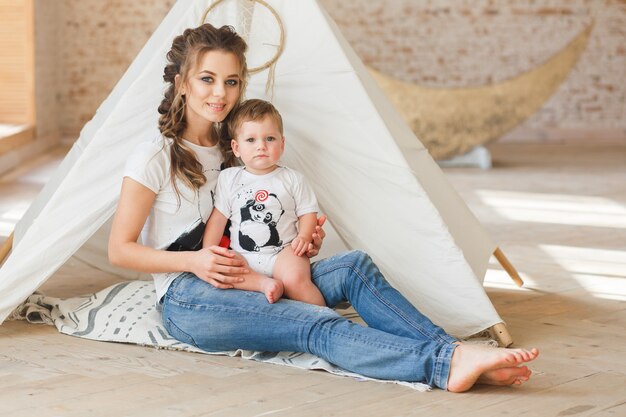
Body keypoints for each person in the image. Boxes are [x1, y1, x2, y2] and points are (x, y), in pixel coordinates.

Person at [108, 23, 539, 392]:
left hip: (251, 269)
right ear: (182, 82)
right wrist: (196, 261)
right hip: (190, 297)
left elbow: (257, 221)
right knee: (312, 322)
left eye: (232, 81)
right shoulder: (154, 155)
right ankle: (443, 366)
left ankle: (454, 352)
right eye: (206, 79)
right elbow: (120, 250)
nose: (220, 93)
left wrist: (297, 239)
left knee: (354, 267)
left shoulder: (238, 147)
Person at [203, 99, 325, 305]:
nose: (261, 146)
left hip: (283, 252)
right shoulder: (229, 178)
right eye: (251, 140)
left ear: (282, 143)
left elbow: (308, 213)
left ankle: (327, 320)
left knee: (296, 279)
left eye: (270, 138)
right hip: (242, 255)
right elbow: (218, 219)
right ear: (236, 147)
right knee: (226, 273)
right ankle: (264, 284)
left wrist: (304, 236)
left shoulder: (292, 179)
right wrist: (208, 252)